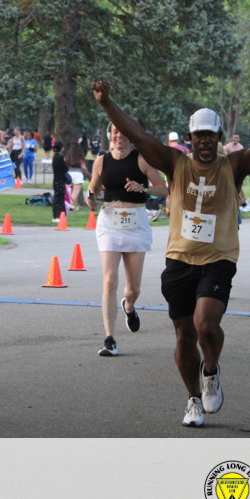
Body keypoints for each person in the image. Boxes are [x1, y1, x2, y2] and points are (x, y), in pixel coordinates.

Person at [93, 80, 250, 427]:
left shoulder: (234, 165)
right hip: (179, 259)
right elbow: (137, 134)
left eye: (210, 136)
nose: (204, 142)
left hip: (218, 259)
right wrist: (106, 103)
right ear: (190, 138)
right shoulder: (175, 162)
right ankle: (193, 400)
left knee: (205, 324)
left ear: (218, 138)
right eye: (199, 136)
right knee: (184, 336)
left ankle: (211, 370)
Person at [86, 123, 167, 356]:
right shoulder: (101, 161)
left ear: (130, 137)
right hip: (109, 224)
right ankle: (109, 339)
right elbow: (93, 189)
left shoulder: (142, 159)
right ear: (109, 136)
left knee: (133, 289)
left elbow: (163, 189)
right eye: (115, 132)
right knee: (110, 281)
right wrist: (91, 198)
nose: (118, 136)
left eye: (122, 133)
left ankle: (129, 306)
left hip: (136, 225)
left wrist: (143, 188)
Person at [50, 141, 71, 223]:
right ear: (61, 148)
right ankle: (60, 215)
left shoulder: (54, 157)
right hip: (61, 181)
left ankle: (55, 215)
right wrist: (65, 161)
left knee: (56, 198)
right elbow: (65, 168)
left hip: (55, 180)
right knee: (60, 199)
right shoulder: (60, 158)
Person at [65, 142, 90, 209]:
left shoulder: (68, 157)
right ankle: (69, 205)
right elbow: (83, 167)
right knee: (75, 192)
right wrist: (87, 174)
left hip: (68, 174)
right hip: (78, 174)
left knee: (70, 191)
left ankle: (75, 206)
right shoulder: (80, 157)